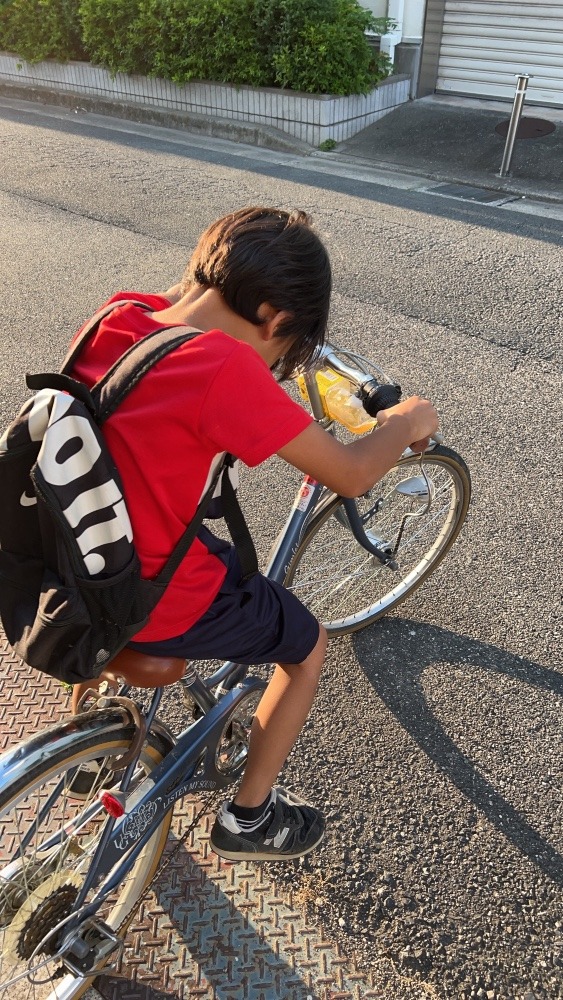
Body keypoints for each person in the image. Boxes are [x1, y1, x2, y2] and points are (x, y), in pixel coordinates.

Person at [69, 206, 438, 863]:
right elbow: (350, 473)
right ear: (273, 321)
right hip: (154, 593)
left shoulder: (120, 313)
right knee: (306, 649)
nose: (276, 359)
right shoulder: (224, 372)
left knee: (193, 545)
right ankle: (249, 818)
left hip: (75, 550)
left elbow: (186, 306)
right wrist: (407, 421)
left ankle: (87, 745)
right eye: (283, 345)